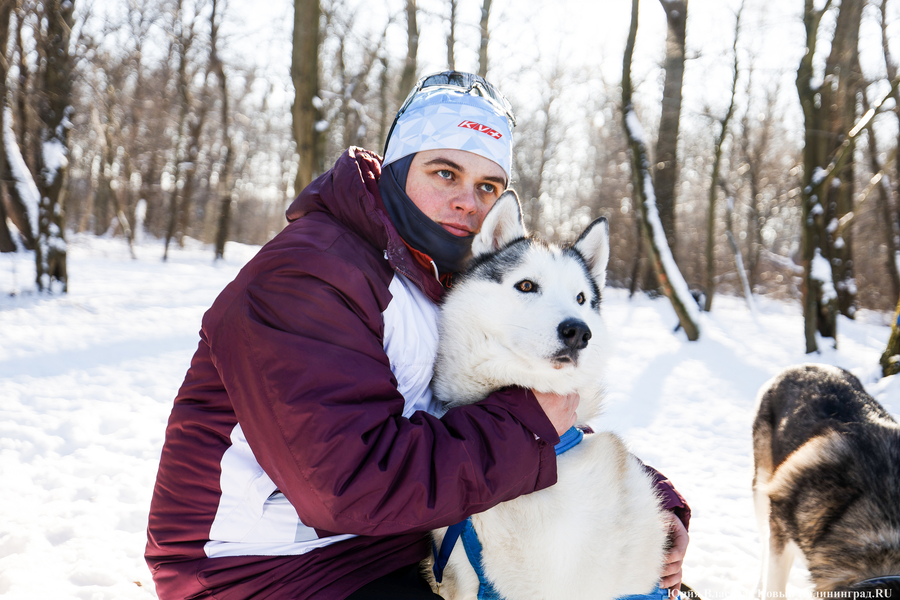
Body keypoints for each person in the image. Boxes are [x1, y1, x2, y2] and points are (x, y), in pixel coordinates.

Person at [145, 71, 690, 600]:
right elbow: (342, 485)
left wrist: (649, 504)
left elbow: (537, 409)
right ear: (397, 169)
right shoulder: (310, 275)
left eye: (487, 186)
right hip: (262, 565)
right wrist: (529, 431)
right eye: (444, 173)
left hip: (384, 538)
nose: (466, 202)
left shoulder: (444, 275)